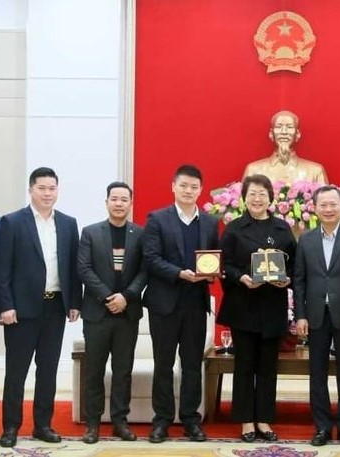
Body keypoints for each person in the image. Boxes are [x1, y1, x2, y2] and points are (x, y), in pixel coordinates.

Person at [0, 167, 82, 448]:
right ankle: (10, 426)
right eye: (42, 188)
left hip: (55, 307)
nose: (47, 193)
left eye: (52, 188)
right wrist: (6, 305)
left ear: (58, 190)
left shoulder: (69, 224)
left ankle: (43, 425)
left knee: (48, 370)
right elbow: (2, 269)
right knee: (16, 370)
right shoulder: (12, 222)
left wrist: (74, 302)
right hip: (21, 311)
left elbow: (73, 268)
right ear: (31, 190)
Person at [142, 164, 220, 443]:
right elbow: (150, 258)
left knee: (191, 366)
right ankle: (161, 420)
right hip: (164, 304)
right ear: (173, 186)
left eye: (194, 187)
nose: (189, 191)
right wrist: (178, 273)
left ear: (201, 190)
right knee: (163, 365)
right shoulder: (157, 219)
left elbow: (213, 256)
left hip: (196, 304)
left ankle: (190, 420)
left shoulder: (210, 222)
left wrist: (215, 271)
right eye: (184, 185)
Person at [216, 174, 297, 443]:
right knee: (244, 366)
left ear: (270, 197)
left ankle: (264, 419)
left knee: (267, 367)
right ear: (244, 197)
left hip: (273, 306)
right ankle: (246, 422)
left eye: (262, 193)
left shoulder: (283, 228)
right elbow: (223, 264)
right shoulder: (235, 228)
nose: (257, 198)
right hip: (243, 306)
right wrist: (241, 277)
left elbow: (296, 265)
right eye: (252, 193)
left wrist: (288, 280)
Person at [293, 185, 340, 447]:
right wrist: (300, 315)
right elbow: (299, 280)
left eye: (333, 204)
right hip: (315, 316)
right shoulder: (306, 239)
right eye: (323, 205)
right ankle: (322, 427)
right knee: (317, 372)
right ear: (314, 208)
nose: (328, 209)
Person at [77, 181, 147, 444]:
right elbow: (84, 269)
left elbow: (145, 270)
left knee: (122, 371)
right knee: (94, 371)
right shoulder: (91, 233)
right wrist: (109, 296)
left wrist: (126, 296)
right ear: (106, 201)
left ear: (131, 203)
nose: (119, 203)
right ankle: (92, 424)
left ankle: (120, 421)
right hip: (98, 313)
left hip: (127, 313)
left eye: (124, 199)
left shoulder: (139, 234)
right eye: (114, 199)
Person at [243, 110, 328, 184]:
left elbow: (325, 200)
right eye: (279, 127)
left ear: (297, 134)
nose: (284, 132)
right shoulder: (253, 170)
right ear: (271, 134)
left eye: (290, 127)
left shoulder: (315, 171)